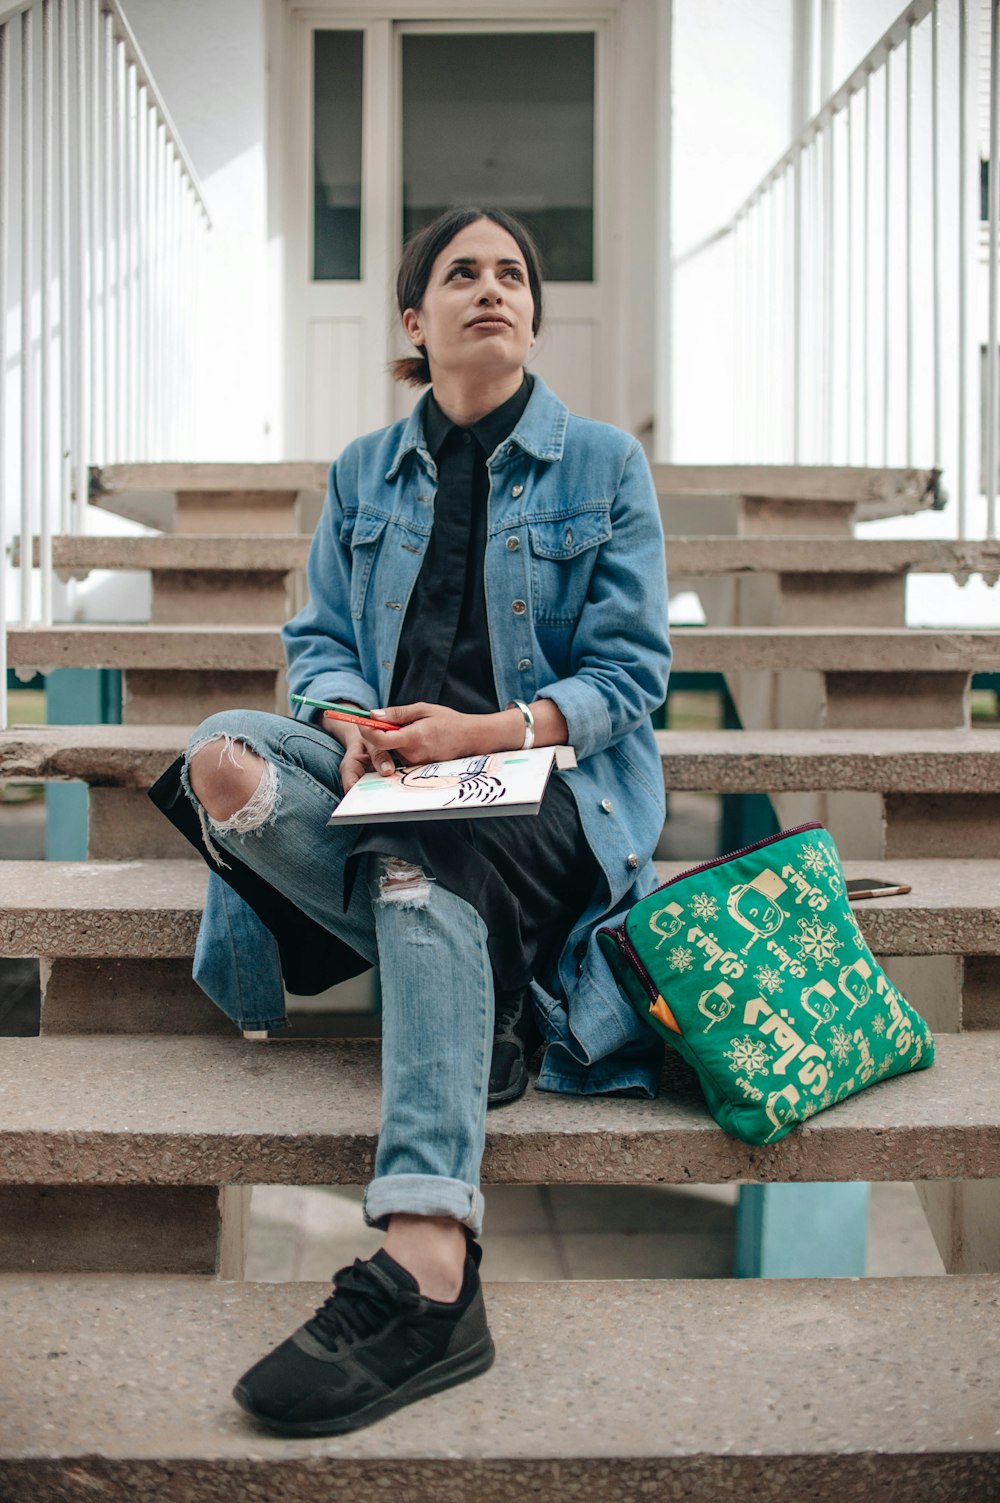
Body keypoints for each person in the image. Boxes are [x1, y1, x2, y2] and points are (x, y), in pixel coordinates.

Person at [153, 206, 671, 1437]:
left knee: (413, 840)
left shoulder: (602, 465)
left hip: (545, 793)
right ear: (413, 319)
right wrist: (341, 722)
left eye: (511, 274)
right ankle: (472, 978)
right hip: (396, 777)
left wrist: (481, 736)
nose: (490, 287)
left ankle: (428, 1261)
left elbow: (629, 679)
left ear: (533, 316)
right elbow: (320, 639)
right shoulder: (360, 471)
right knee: (224, 760)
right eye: (460, 273)